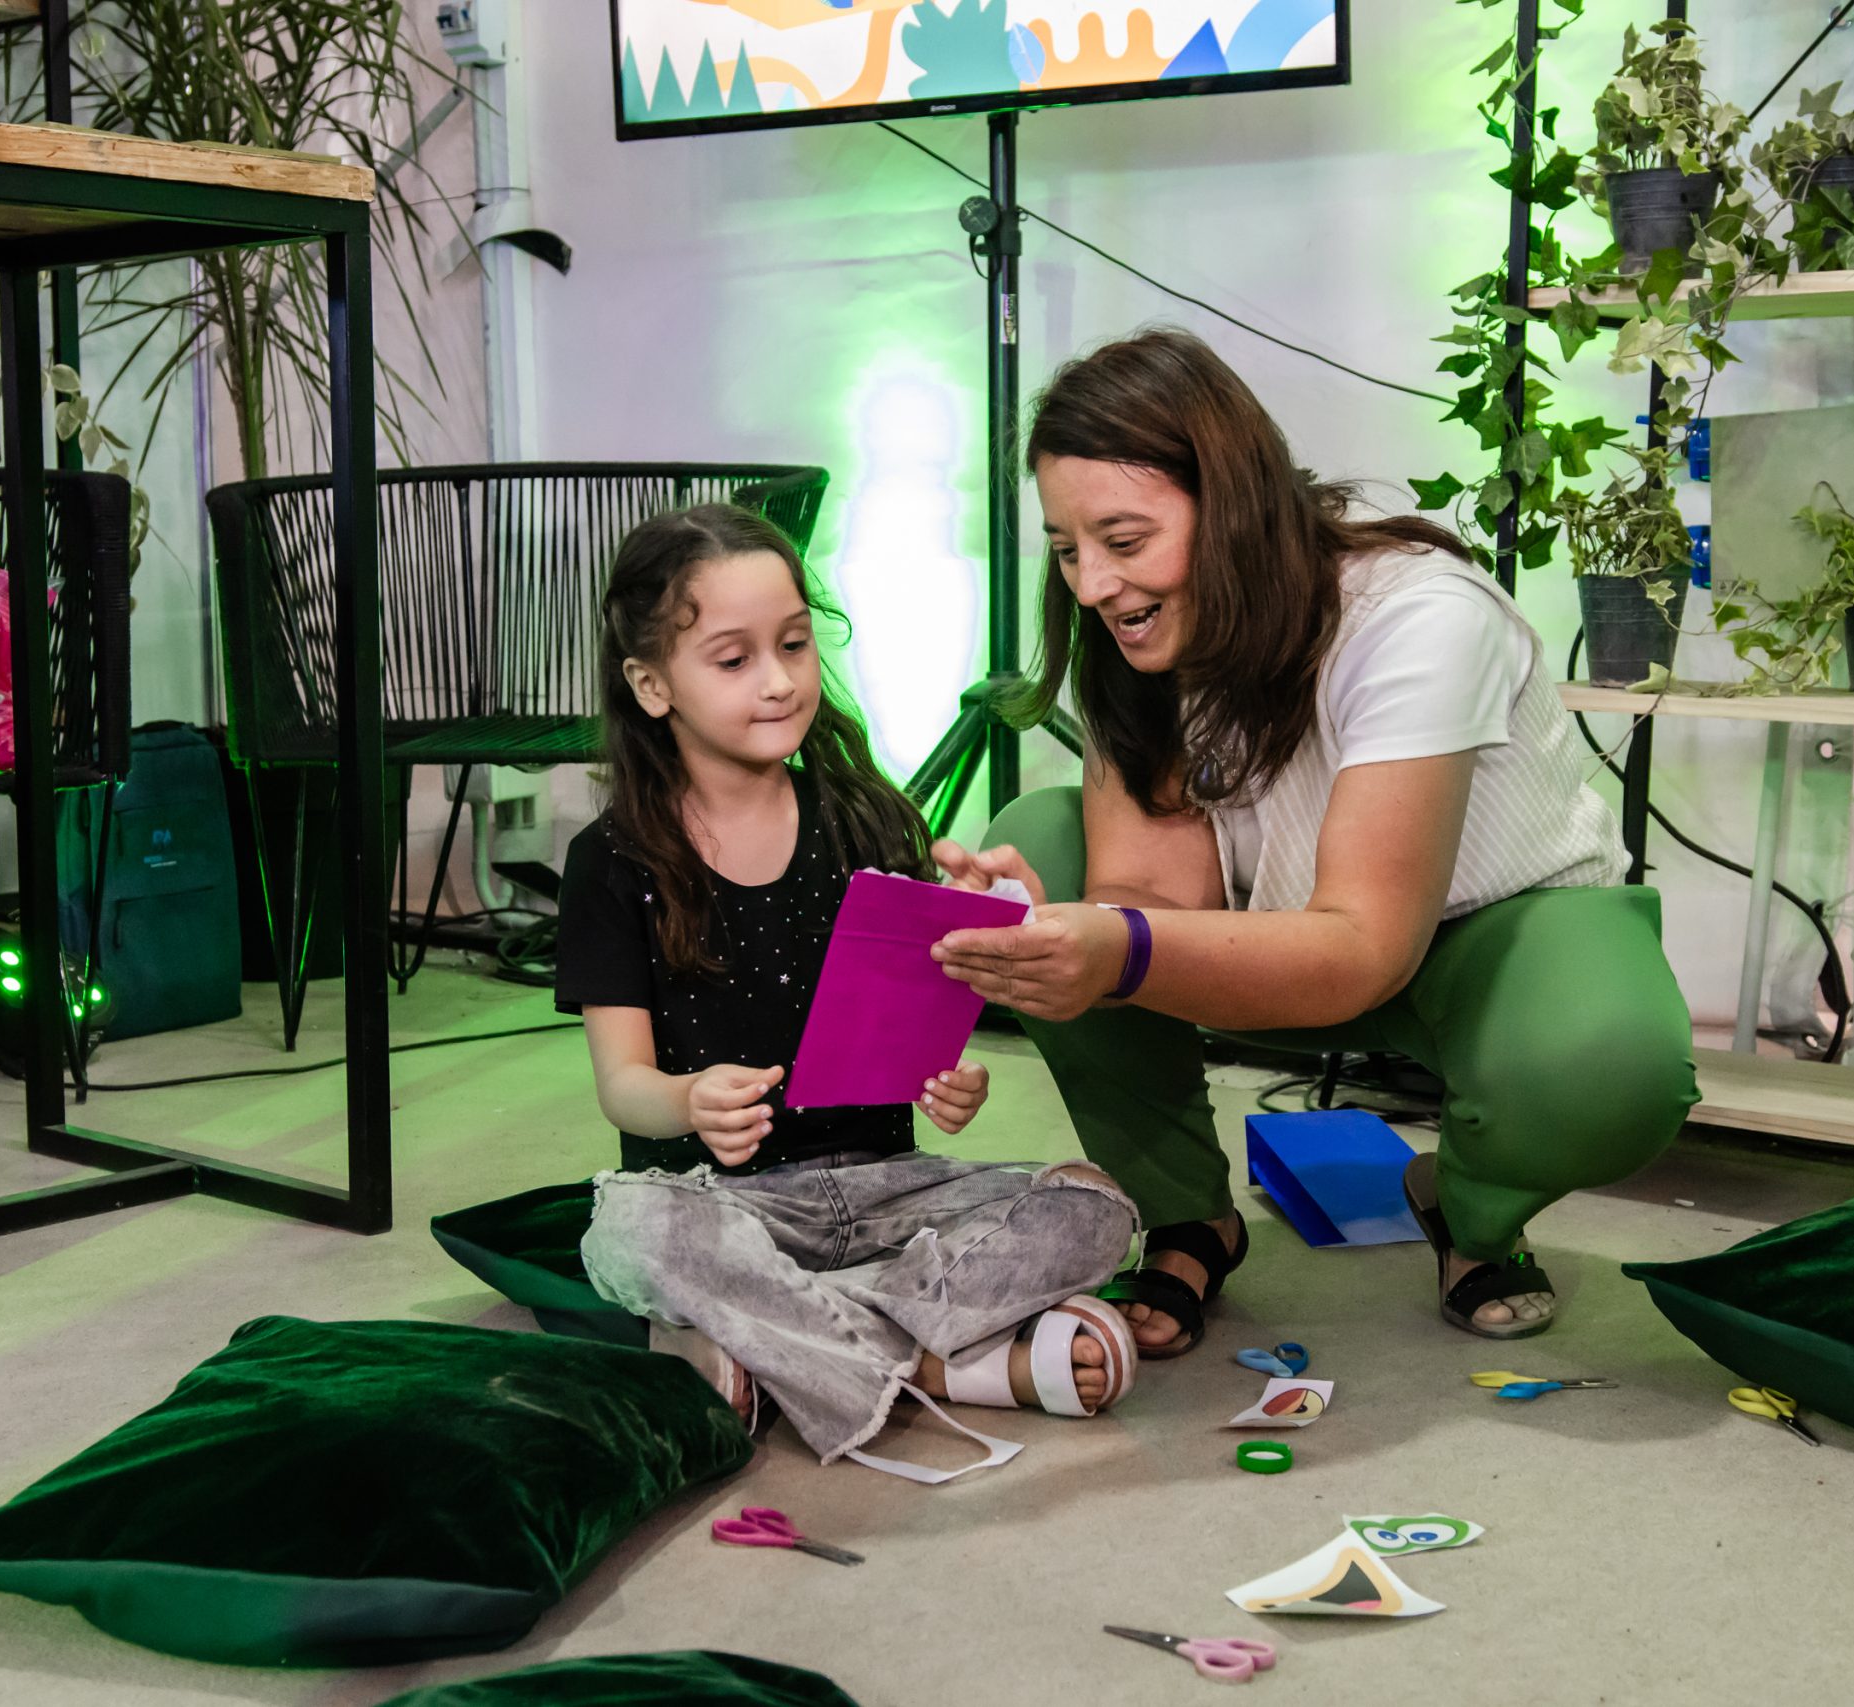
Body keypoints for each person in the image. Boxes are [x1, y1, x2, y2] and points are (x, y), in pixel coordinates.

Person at [930, 328, 1699, 1348]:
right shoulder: (1135, 638)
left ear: (1233, 505)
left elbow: (1362, 947)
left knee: (1612, 1060)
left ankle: (1470, 1212)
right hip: (1286, 941)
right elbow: (1151, 899)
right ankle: (1185, 1218)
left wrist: (1113, 948)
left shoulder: (1417, 616)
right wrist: (1059, 934)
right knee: (1045, 842)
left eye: (1124, 540)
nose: (1094, 586)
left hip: (1489, 948)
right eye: (1069, 550)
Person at [556, 505, 1140, 1471]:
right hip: (725, 1204)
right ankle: (947, 1362)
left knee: (1095, 1206)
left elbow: (918, 1025)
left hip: (888, 1192)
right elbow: (624, 1084)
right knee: (628, 1234)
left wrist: (951, 1067)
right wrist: (688, 1102)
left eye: (794, 644)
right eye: (734, 659)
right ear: (652, 685)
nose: (780, 680)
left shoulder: (867, 817)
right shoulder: (610, 858)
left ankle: (790, 1347)